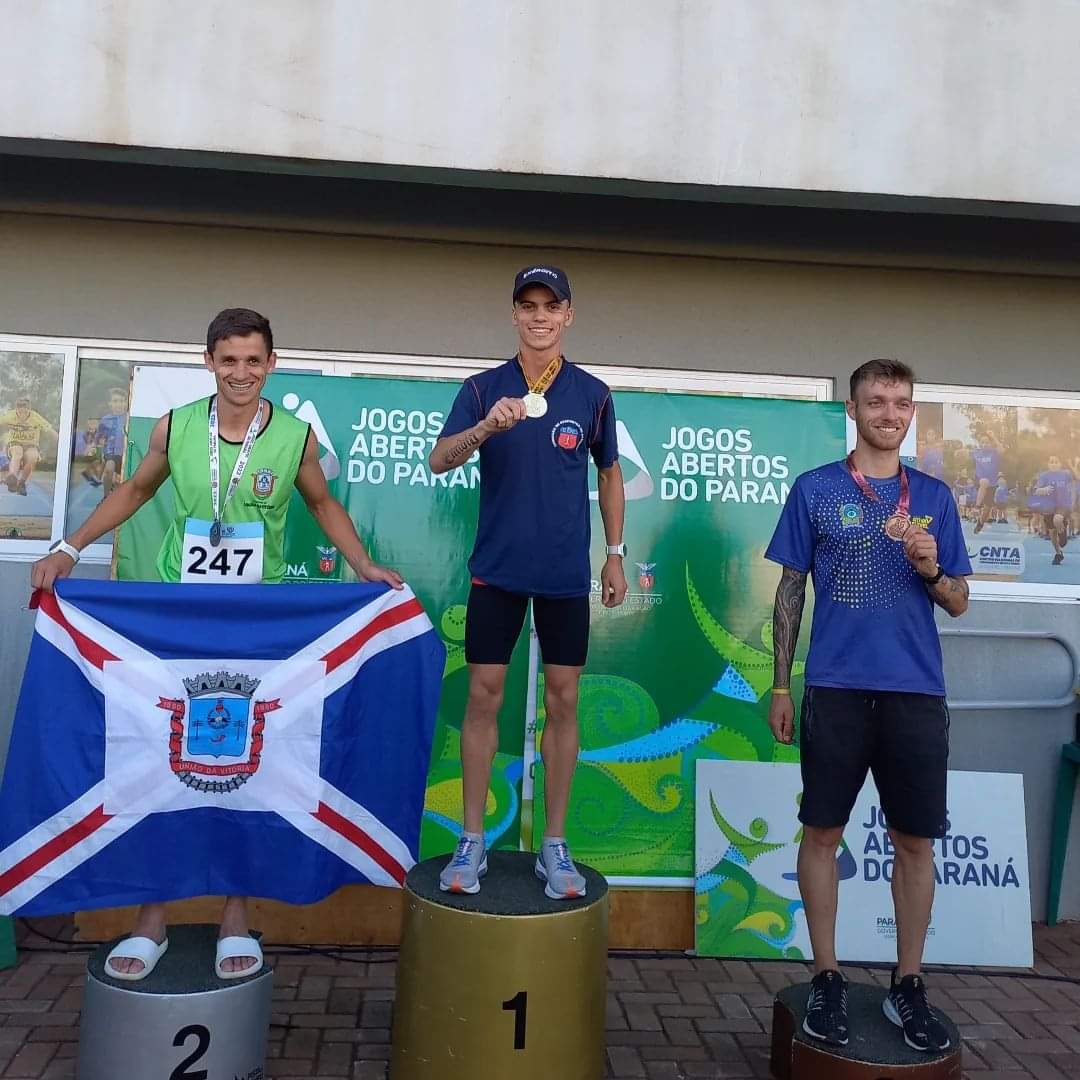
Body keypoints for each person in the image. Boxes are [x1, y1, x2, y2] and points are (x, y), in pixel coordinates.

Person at [31, 307, 402, 981]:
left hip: (258, 628)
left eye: (253, 360)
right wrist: (67, 547)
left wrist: (364, 564)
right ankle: (153, 918)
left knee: (247, 766)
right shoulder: (175, 428)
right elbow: (135, 491)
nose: (241, 372)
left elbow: (323, 506)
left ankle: (237, 916)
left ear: (271, 364)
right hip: (180, 620)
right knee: (160, 757)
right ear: (209, 362)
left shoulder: (294, 436)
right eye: (228, 360)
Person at [765, 358, 970, 1053]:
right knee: (822, 833)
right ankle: (826, 975)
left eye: (902, 402)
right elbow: (790, 590)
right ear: (853, 410)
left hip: (915, 692)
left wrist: (930, 568)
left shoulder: (935, 498)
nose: (890, 412)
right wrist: (783, 684)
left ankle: (907, 983)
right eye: (876, 401)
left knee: (914, 842)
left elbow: (960, 602)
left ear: (911, 412)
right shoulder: (817, 489)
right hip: (836, 689)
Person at [428, 265, 628, 899]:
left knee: (563, 700)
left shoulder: (593, 394)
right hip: (498, 572)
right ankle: (471, 841)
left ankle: (555, 844)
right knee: (484, 695)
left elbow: (610, 473)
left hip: (565, 575)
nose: (539, 316)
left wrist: (616, 552)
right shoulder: (484, 388)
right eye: (528, 305)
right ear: (513, 314)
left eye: (551, 306)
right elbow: (439, 458)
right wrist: (486, 428)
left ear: (568, 315)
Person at [0, 396, 58, 495]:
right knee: (17, 452)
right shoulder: (10, 415)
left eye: (24, 407)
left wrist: (60, 443)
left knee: (33, 457)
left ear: (29, 408)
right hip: (15, 442)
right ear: (16, 408)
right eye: (19, 407)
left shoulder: (35, 417)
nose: (22, 410)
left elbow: (51, 431)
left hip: (31, 444)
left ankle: (22, 482)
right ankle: (12, 477)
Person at [1033, 454, 1073, 566]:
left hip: (1063, 505)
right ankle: (1058, 553)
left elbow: (1072, 486)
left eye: (1056, 462)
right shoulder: (1044, 476)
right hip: (1048, 507)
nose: (1054, 464)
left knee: (1058, 520)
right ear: (1048, 464)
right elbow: (1036, 491)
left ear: (1060, 464)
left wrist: (1072, 500)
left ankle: (1063, 533)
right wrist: (1044, 489)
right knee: (1052, 533)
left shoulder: (1066, 474)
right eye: (1051, 462)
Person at [97, 387, 130, 497]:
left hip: (124, 453)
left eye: (122, 401)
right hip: (110, 454)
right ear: (110, 403)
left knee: (122, 478)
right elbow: (100, 438)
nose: (119, 404)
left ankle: (119, 496)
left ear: (126, 403)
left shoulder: (129, 418)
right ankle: (106, 496)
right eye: (115, 401)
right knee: (109, 468)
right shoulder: (105, 419)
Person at [971, 429, 1003, 534]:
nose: (984, 444)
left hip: (992, 483)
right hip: (979, 480)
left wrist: (993, 437)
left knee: (987, 509)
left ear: (990, 443)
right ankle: (977, 507)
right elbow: (964, 453)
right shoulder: (976, 452)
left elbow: (1001, 450)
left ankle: (980, 524)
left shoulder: (994, 452)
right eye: (982, 442)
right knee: (984, 481)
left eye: (987, 442)